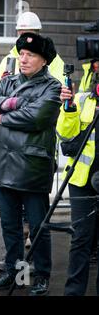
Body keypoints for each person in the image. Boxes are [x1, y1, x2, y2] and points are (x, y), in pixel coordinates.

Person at [0, 32, 61, 296]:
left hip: (33, 167)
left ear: (44, 60)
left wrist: (2, 117)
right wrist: (11, 103)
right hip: (5, 163)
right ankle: (16, 274)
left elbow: (36, 117)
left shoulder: (53, 86)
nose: (23, 59)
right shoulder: (9, 81)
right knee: (10, 225)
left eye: (30, 55)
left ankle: (41, 275)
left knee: (38, 226)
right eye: (21, 54)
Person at [57, 58, 99, 295]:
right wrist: (68, 107)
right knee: (81, 240)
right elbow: (65, 133)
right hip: (82, 180)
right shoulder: (83, 95)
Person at [0, 11, 65, 86]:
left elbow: (60, 88)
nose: (23, 60)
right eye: (22, 35)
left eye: (29, 35)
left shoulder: (53, 59)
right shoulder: (8, 60)